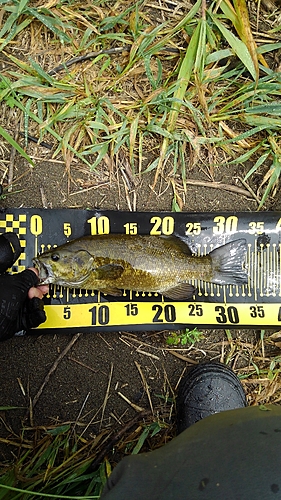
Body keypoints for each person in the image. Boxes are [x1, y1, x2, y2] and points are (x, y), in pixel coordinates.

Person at [1, 233, 281, 499]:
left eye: (57, 259)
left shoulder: (94, 268)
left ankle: (210, 267)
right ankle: (210, 432)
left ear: (84, 260)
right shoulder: (91, 271)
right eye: (55, 259)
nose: (50, 262)